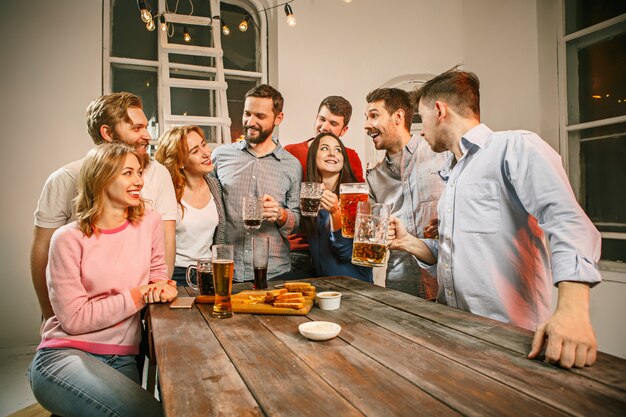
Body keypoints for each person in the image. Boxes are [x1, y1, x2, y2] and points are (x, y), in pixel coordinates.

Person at [388, 67, 601, 369]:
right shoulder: (452, 174)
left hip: (513, 342)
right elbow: (456, 254)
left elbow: (567, 219)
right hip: (453, 334)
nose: (421, 132)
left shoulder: (515, 147)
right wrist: (409, 242)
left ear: (439, 110)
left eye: (421, 119)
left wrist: (573, 311)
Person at [29, 143, 177, 417]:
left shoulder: (150, 222)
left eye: (139, 173)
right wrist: (139, 295)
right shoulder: (68, 238)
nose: (139, 181)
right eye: (128, 173)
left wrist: (161, 286)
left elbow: (158, 272)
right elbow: (74, 320)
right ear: (101, 177)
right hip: (65, 355)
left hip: (122, 358)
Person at [31, 92, 177, 319]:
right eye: (136, 128)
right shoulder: (65, 178)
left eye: (145, 127)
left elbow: (164, 243)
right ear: (107, 133)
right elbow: (43, 248)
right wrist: (49, 313)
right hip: (83, 313)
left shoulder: (158, 174)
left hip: (137, 311)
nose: (147, 136)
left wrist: (155, 299)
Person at [212, 84, 302, 282]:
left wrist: (281, 214)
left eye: (260, 116)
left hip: (274, 272)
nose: (250, 122)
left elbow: (297, 224)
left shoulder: (291, 165)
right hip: (228, 270)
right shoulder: (220, 156)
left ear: (278, 118)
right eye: (247, 113)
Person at [364, 88, 447, 298]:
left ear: (398, 117)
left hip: (444, 284)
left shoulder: (440, 155)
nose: (367, 125)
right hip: (400, 286)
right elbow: (374, 237)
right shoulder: (374, 177)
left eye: (374, 115)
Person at [284, 96, 365, 278]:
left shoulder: (350, 157)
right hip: (300, 249)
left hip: (336, 248)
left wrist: (336, 212)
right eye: (322, 119)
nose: (325, 127)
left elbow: (358, 208)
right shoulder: (291, 153)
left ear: (344, 130)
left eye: (333, 123)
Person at [156, 125, 226, 286]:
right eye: (195, 151)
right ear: (180, 162)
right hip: (176, 275)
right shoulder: (167, 192)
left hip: (209, 274)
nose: (206, 153)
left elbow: (219, 238)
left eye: (204, 144)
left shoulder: (215, 186)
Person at [302, 132, 373, 282]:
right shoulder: (309, 198)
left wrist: (335, 212)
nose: (332, 154)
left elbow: (347, 253)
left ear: (344, 160)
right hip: (325, 288)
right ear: (312, 157)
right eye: (324, 148)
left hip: (355, 287)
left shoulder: (355, 197)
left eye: (338, 150)